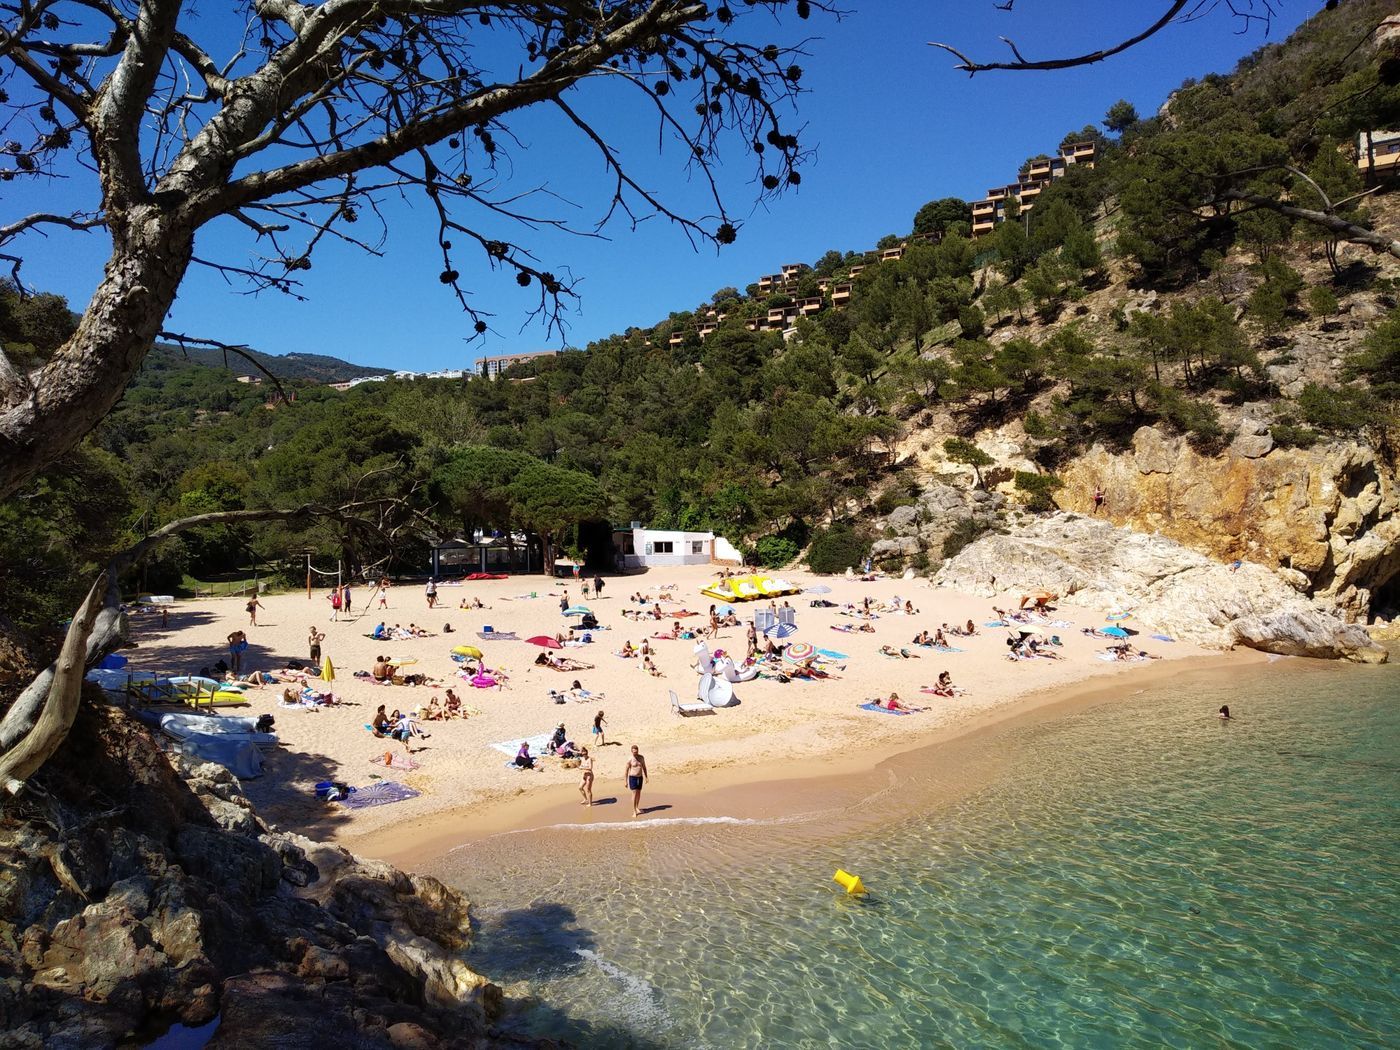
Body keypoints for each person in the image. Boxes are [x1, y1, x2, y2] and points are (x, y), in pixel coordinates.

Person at [624, 744, 648, 818]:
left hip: (640, 777)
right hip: (632, 777)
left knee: (639, 792)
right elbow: (626, 770)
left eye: (636, 752)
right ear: (632, 752)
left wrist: (646, 777)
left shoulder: (641, 758)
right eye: (634, 752)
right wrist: (625, 781)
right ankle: (634, 811)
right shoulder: (630, 759)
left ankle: (637, 807)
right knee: (634, 793)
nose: (635, 753)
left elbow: (644, 767)